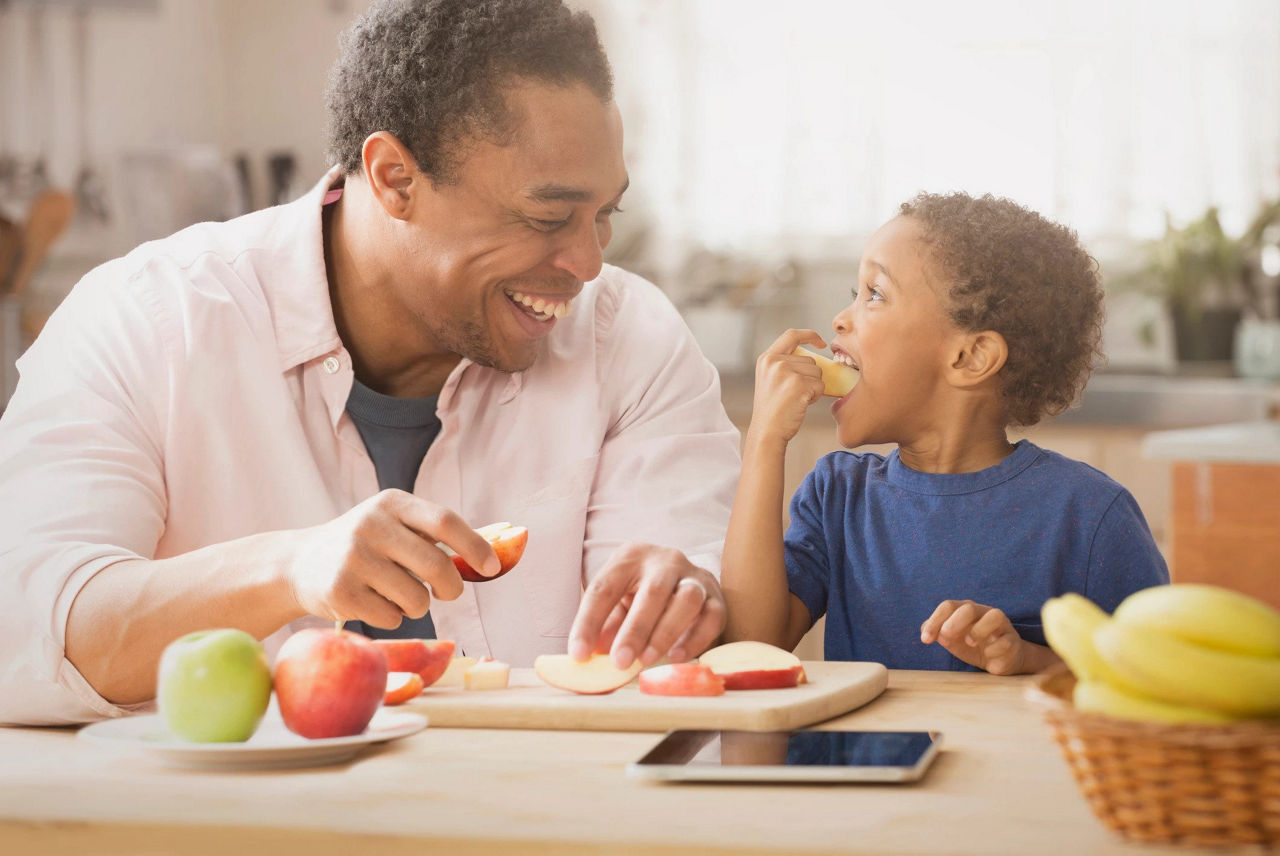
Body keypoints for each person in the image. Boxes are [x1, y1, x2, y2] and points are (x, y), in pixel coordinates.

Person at [0, 0, 739, 726]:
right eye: (547, 219)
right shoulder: (148, 321)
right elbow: (28, 637)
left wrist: (683, 600)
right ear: (393, 178)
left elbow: (671, 663)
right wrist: (289, 569)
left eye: (605, 214)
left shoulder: (629, 340)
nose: (586, 263)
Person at [721, 192, 1168, 674]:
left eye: (875, 293)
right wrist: (763, 440)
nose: (840, 319)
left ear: (969, 358)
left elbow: (1154, 676)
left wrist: (1028, 659)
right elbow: (750, 645)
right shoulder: (837, 496)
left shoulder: (1089, 515)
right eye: (854, 293)